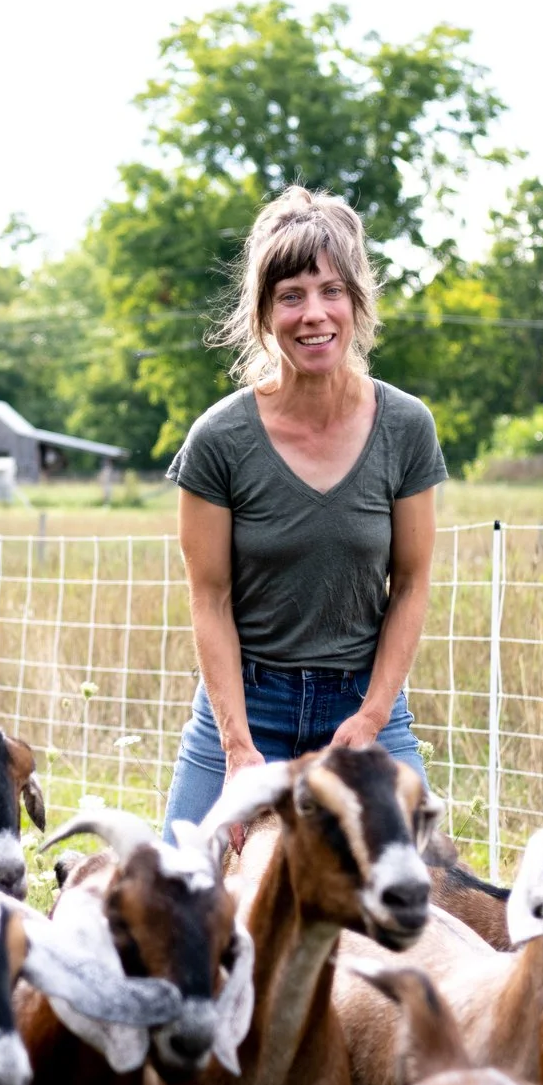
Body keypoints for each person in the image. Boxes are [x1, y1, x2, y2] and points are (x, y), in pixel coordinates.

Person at [163, 186, 443, 837]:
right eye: (291, 294)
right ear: (264, 312)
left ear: (356, 303)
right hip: (245, 706)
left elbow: (411, 585)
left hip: (363, 701)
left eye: (331, 290)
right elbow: (210, 599)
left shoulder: (405, 427)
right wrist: (237, 747)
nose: (313, 313)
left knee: (421, 887)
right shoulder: (219, 441)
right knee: (183, 887)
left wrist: (372, 717)